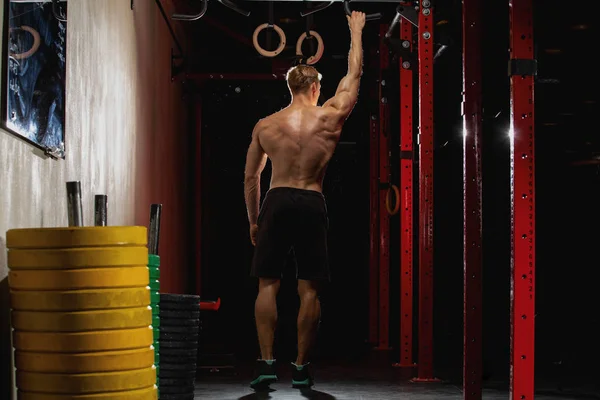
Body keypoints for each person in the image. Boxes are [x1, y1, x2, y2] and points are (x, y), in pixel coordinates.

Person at [243, 11, 366, 390]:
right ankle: (300, 367)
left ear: (291, 88)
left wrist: (253, 219)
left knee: (268, 283)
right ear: (315, 89)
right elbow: (354, 77)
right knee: (309, 288)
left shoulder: (267, 125)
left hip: (276, 200)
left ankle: (266, 364)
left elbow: (251, 177)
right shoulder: (329, 117)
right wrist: (356, 32)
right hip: (311, 200)